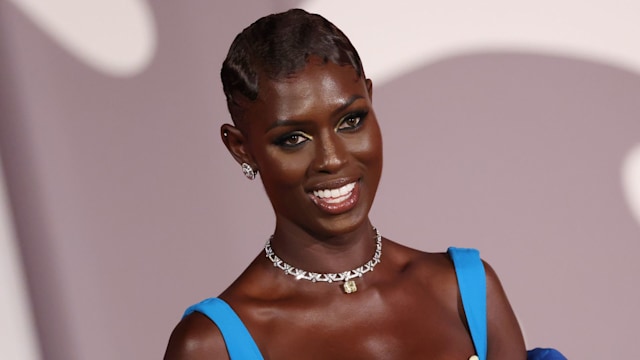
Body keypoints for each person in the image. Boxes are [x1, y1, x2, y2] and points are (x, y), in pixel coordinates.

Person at [164, 8, 526, 359]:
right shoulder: (211, 347)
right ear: (241, 148)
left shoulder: (466, 290)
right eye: (293, 139)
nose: (332, 159)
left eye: (351, 121)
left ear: (371, 99)